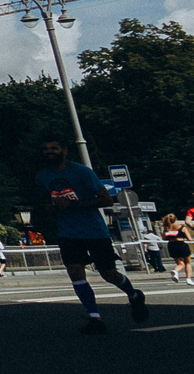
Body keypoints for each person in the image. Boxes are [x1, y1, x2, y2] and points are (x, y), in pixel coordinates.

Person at [36, 139, 148, 333]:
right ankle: (95, 318)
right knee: (76, 273)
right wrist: (49, 207)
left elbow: (105, 199)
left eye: (54, 148)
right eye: (45, 149)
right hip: (68, 233)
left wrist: (73, 205)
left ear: (64, 150)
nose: (49, 152)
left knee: (108, 274)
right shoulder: (42, 176)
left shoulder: (81, 172)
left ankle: (134, 294)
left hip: (94, 231)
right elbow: (45, 200)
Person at [159, 212, 192, 283]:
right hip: (181, 244)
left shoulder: (167, 229)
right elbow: (190, 238)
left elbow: (164, 238)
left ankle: (176, 271)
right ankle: (188, 279)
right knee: (187, 262)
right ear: (176, 219)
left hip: (171, 245)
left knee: (180, 263)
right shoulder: (182, 227)